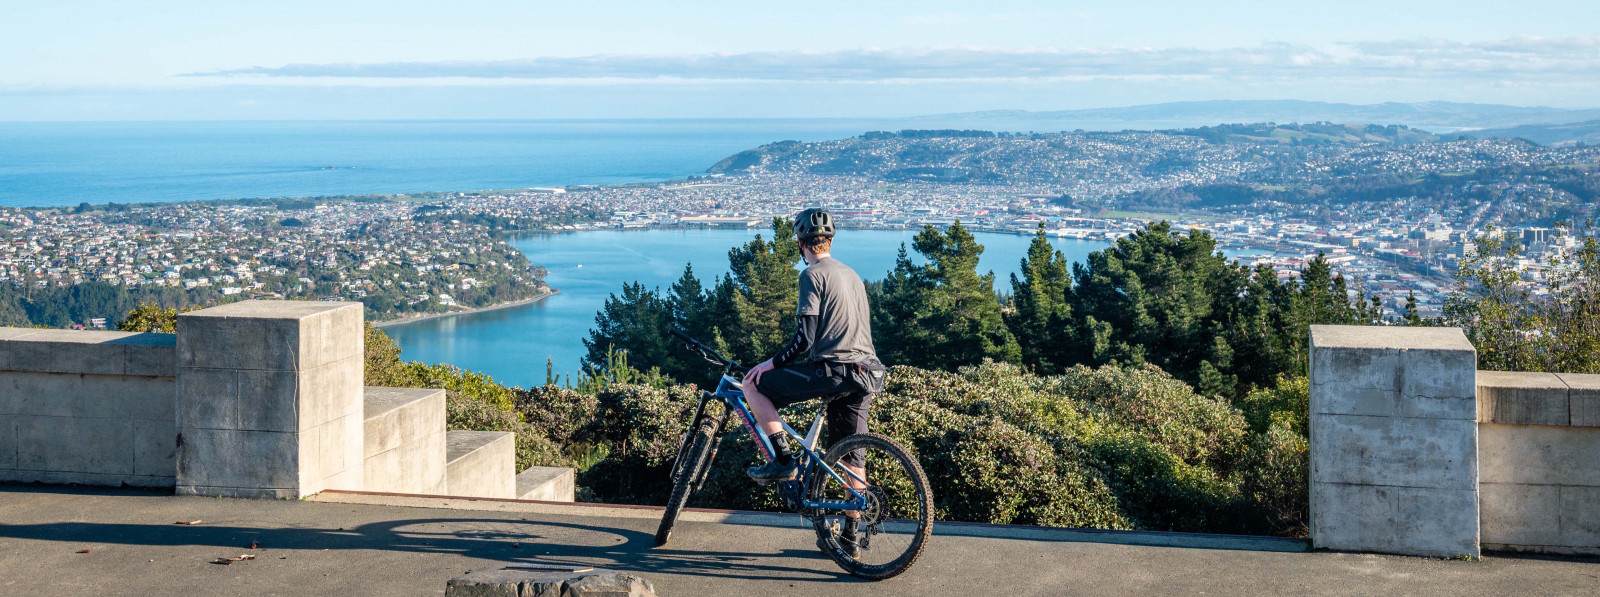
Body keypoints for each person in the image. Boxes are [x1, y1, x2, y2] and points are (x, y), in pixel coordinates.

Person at [741, 207, 885, 555]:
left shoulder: (812, 274)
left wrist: (769, 364)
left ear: (801, 244)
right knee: (851, 456)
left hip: (835, 371)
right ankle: (849, 539)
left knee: (752, 385)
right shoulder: (851, 275)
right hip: (868, 373)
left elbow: (804, 338)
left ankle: (783, 458)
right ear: (830, 241)